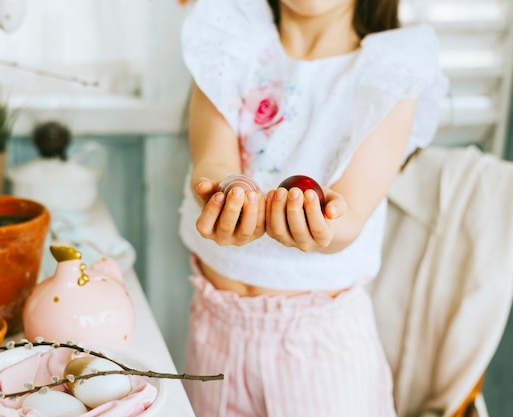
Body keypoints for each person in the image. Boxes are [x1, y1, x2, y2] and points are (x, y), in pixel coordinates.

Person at [177, 0, 449, 416]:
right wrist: (228, 192)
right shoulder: (228, 39)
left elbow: (351, 213)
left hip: (322, 352)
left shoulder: (391, 70)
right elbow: (214, 161)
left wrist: (320, 224)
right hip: (214, 332)